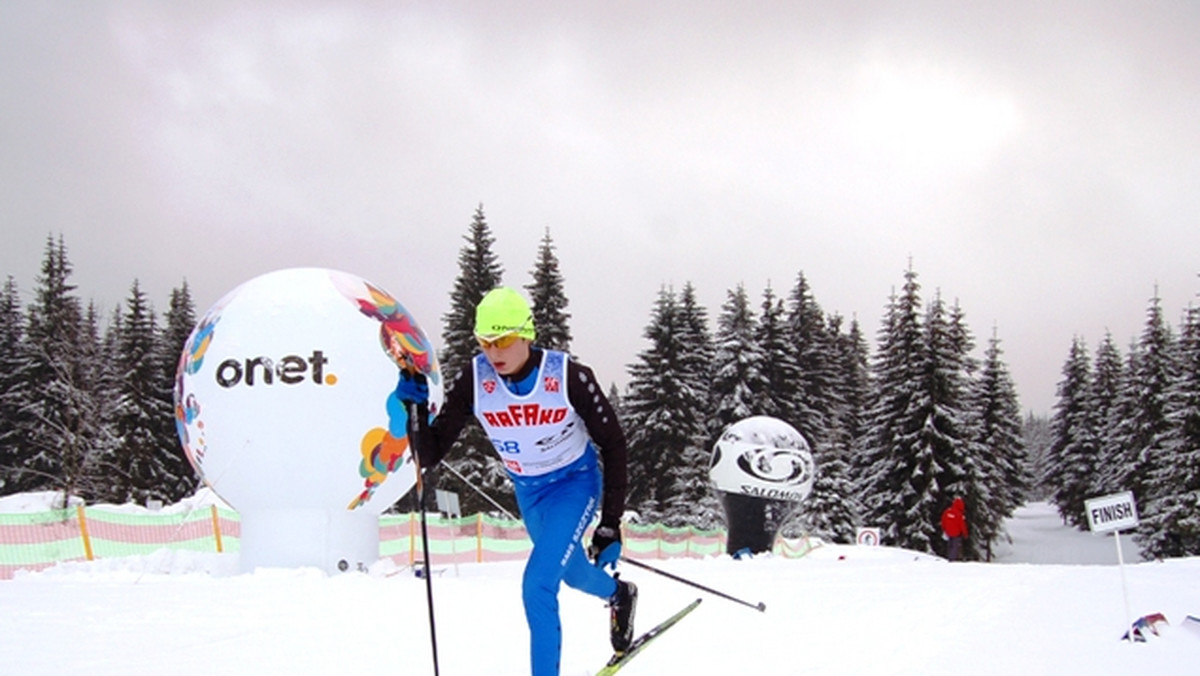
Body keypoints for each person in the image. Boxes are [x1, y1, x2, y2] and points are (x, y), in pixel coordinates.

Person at [392, 286, 636, 676]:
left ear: (527, 334)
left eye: (503, 339)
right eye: (485, 341)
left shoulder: (568, 376)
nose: (494, 352)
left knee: (537, 585)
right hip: (530, 492)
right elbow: (430, 453)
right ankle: (619, 594)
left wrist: (609, 524)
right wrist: (416, 406)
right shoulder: (476, 379)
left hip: (574, 484)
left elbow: (614, 445)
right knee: (571, 574)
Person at [940, 496, 968, 562]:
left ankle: (950, 557)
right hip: (956, 533)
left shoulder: (947, 511)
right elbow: (962, 525)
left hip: (948, 532)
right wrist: (965, 533)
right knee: (955, 547)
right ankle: (952, 559)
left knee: (950, 545)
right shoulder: (959, 514)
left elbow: (943, 520)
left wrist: (944, 529)